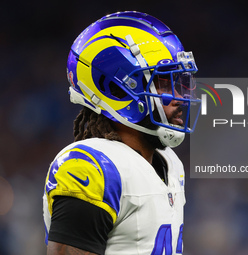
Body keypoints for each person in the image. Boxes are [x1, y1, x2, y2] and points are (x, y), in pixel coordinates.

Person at [43, 11, 201, 255]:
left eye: (180, 82)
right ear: (115, 88)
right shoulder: (90, 167)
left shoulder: (170, 163)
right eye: (164, 83)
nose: (180, 98)